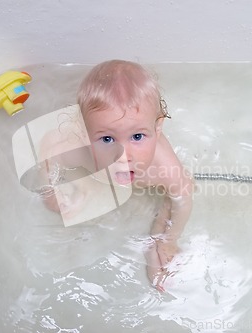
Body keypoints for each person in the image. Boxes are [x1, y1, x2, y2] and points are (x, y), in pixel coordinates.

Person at [40, 60, 193, 291]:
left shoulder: (163, 167)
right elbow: (49, 149)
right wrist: (50, 191)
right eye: (107, 139)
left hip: (158, 189)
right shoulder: (79, 151)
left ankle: (158, 244)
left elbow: (184, 197)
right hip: (92, 174)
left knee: (178, 193)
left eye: (138, 137)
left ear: (157, 128)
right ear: (84, 133)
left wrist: (171, 239)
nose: (123, 155)